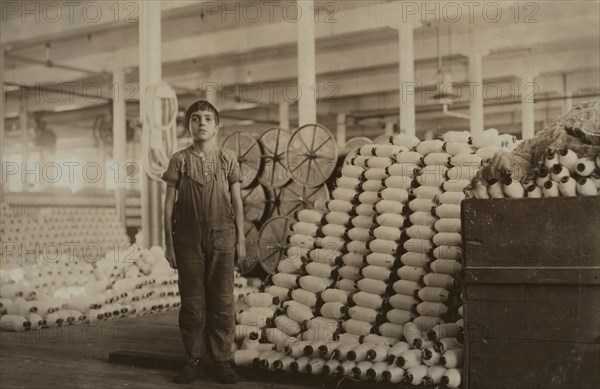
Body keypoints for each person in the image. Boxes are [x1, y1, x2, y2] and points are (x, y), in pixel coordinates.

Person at [162, 100, 245, 384]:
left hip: (223, 238)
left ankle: (222, 361)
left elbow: (237, 201)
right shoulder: (179, 160)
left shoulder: (227, 159)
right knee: (193, 304)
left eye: (208, 118)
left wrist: (241, 240)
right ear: (188, 126)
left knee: (222, 303)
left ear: (217, 125)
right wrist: (168, 244)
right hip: (186, 241)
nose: (202, 123)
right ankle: (193, 360)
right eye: (196, 119)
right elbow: (168, 205)